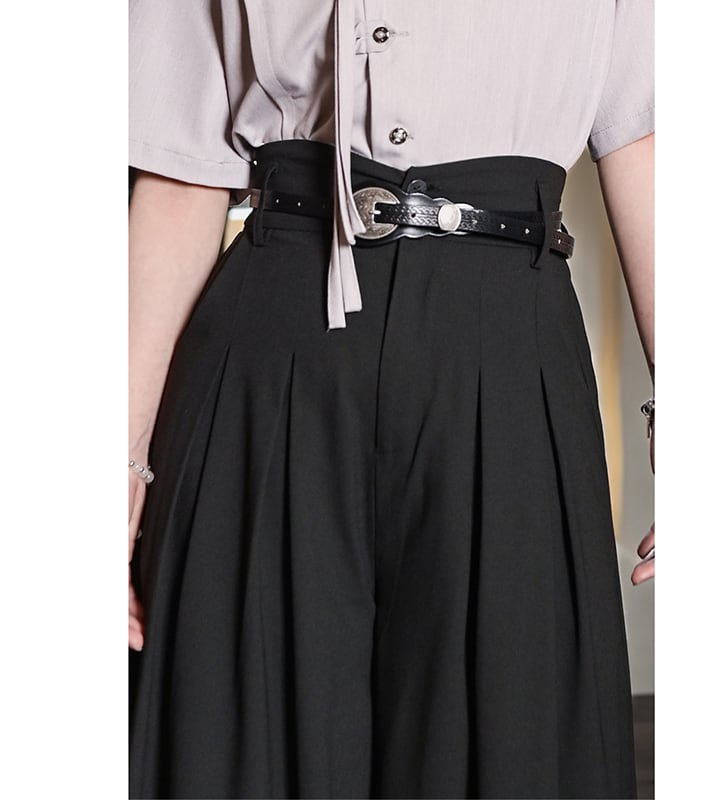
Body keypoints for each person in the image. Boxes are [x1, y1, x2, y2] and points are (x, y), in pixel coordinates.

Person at [128, 1, 654, 797]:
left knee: (515, 744)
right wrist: (119, 460)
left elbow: (646, 137)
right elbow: (181, 174)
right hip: (272, 350)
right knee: (235, 745)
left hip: (508, 351)